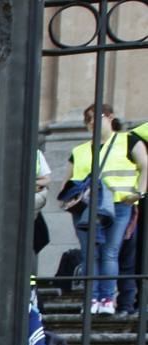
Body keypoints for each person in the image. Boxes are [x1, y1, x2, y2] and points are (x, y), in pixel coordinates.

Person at [63, 104, 148, 315]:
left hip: (119, 204)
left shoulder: (128, 140)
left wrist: (139, 192)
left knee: (109, 252)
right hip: (87, 208)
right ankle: (92, 299)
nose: (91, 122)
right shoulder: (79, 151)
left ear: (110, 117)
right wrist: (69, 201)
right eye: (87, 119)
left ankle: (106, 299)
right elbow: (68, 181)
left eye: (95, 117)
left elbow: (145, 164)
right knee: (90, 254)